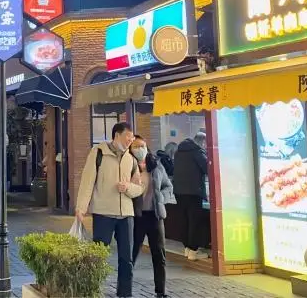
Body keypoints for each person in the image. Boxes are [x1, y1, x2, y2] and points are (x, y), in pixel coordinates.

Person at [75, 122, 143, 298]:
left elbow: (139, 187)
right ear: (117, 135)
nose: (130, 140)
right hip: (103, 213)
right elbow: (87, 181)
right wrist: (81, 208)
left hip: (126, 215)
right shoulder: (98, 153)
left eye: (132, 138)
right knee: (98, 256)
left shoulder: (131, 159)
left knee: (126, 258)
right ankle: (93, 290)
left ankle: (125, 293)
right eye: (128, 136)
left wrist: (128, 188)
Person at [130, 136, 174, 298]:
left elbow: (168, 186)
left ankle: (161, 291)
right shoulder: (128, 165)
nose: (139, 149)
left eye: (142, 145)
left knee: (159, 254)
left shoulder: (156, 165)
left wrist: (160, 198)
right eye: (135, 146)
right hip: (137, 217)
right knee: (131, 254)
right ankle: (124, 289)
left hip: (155, 215)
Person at [173, 132, 208, 261]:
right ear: (202, 141)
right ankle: (194, 250)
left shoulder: (178, 152)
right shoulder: (197, 152)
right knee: (195, 221)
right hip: (194, 192)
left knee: (184, 220)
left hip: (179, 192)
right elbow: (208, 168)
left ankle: (187, 248)